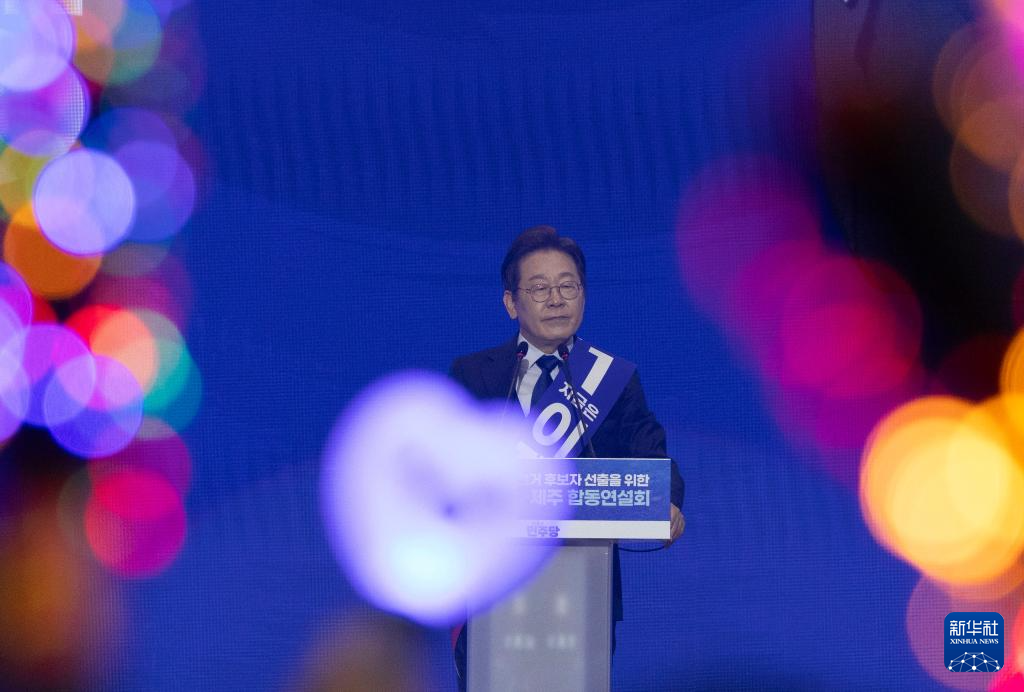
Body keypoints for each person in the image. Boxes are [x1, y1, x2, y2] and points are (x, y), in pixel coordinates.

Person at [448, 225, 685, 689]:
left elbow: (651, 453)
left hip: (582, 592)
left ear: (583, 295)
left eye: (567, 286)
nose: (556, 299)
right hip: (494, 584)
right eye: (539, 288)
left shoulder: (612, 380)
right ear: (511, 303)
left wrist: (669, 500)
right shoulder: (474, 375)